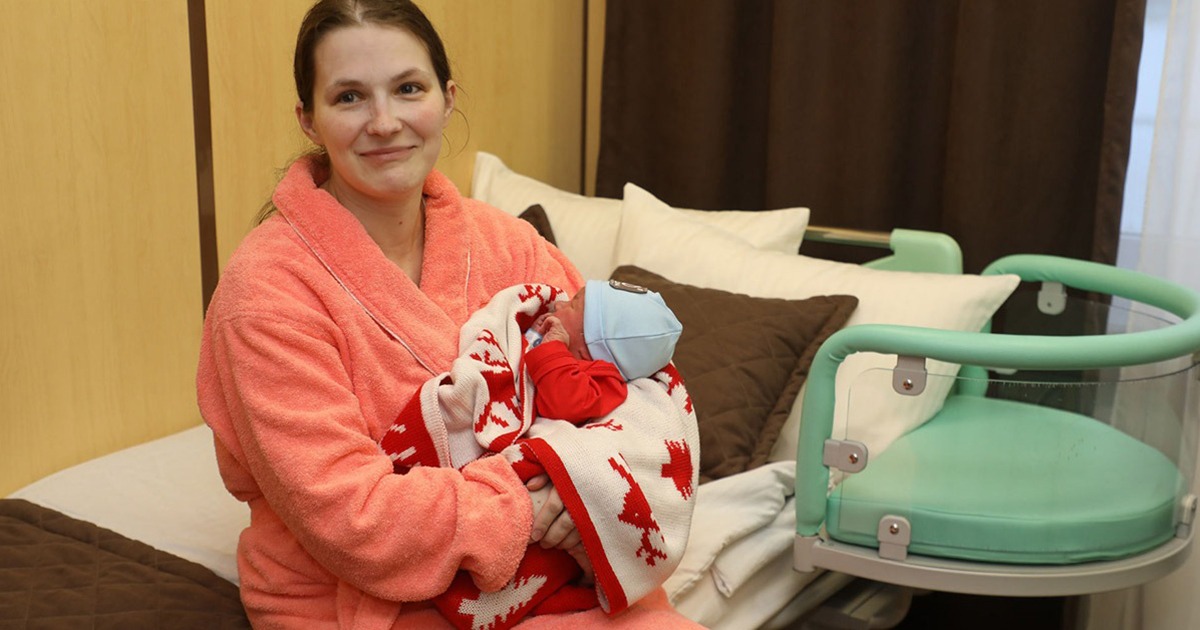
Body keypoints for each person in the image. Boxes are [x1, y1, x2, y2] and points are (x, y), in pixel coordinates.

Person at [195, 1, 703, 628]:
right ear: (309, 119)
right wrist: (541, 502)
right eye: (350, 97)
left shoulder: (508, 244)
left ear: (447, 98)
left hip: (561, 569)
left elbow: (639, 397)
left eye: (409, 89)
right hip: (361, 601)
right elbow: (352, 517)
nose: (385, 122)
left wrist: (590, 486)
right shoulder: (266, 292)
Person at [524, 279, 684, 423]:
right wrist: (532, 336)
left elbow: (564, 404)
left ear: (586, 349)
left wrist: (552, 350)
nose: (558, 304)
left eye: (572, 305)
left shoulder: (605, 383)